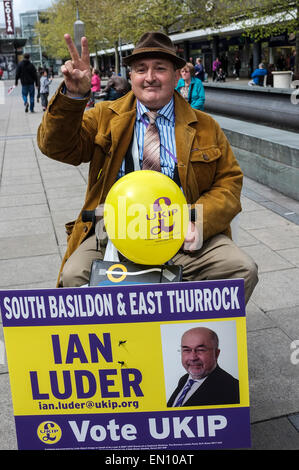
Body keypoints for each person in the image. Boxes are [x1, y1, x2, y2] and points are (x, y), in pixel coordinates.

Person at [37, 31, 258, 303]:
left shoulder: (205, 126)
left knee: (241, 269)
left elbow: (229, 181)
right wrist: (72, 96)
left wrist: (197, 222)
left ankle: (189, 337)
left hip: (180, 231)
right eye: (141, 69)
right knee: (74, 277)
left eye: (160, 69)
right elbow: (55, 146)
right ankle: (120, 340)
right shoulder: (105, 117)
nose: (150, 77)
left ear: (177, 75)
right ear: (131, 77)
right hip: (115, 234)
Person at [167, 327, 240, 407]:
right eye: (187, 350)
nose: (193, 357)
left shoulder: (233, 389)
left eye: (200, 350)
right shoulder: (184, 379)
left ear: (216, 354)